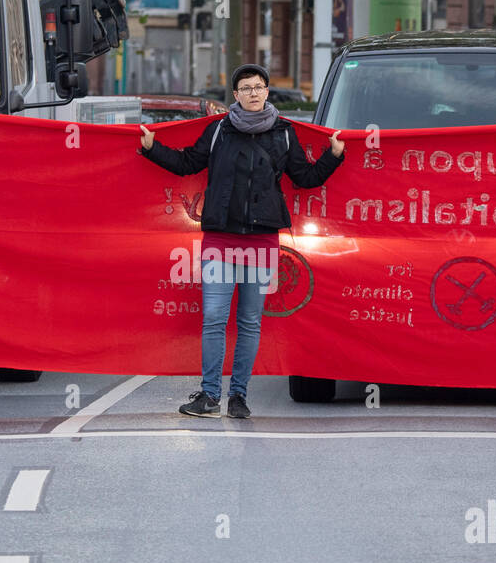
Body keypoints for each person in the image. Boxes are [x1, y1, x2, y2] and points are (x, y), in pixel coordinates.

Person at [138, 63, 345, 419]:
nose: (253, 92)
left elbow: (306, 178)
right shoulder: (218, 130)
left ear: (267, 92)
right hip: (220, 237)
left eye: (259, 86)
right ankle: (208, 395)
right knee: (215, 317)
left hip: (262, 239)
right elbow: (188, 162)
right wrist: (152, 148)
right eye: (246, 88)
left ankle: (239, 398)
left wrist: (334, 156)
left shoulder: (284, 133)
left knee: (250, 321)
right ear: (235, 96)